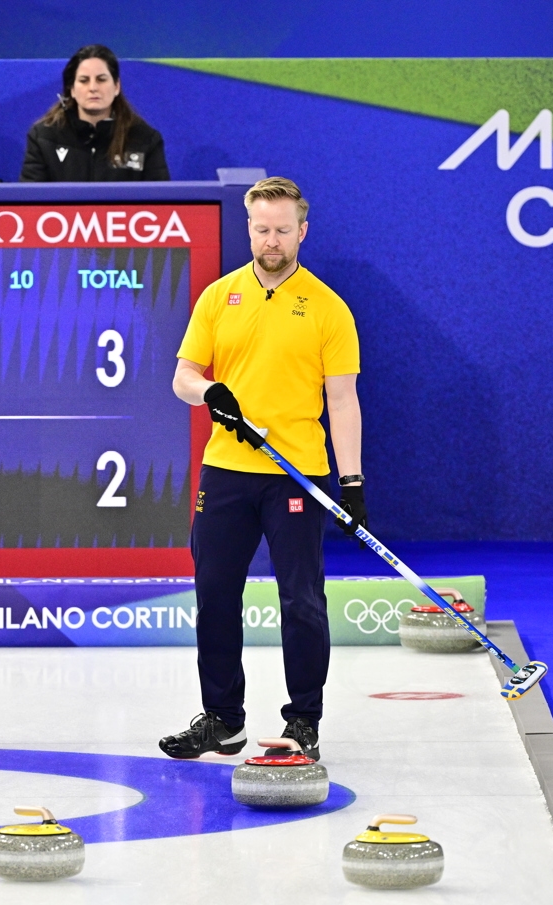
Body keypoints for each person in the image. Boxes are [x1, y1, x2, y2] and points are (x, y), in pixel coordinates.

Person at [160, 177, 362, 763]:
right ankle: (222, 719)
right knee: (215, 594)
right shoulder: (218, 297)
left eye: (281, 229)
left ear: (302, 230)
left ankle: (303, 720)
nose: (270, 240)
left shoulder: (328, 308)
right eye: (260, 228)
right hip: (226, 472)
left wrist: (351, 484)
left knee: (302, 599)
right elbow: (183, 378)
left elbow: (343, 400)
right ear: (248, 227)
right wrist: (210, 392)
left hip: (296, 474)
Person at [20, 44, 169, 182]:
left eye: (101, 80)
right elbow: (30, 204)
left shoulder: (145, 139)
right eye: (84, 80)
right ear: (72, 89)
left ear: (116, 86)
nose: (93, 88)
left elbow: (161, 204)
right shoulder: (44, 137)